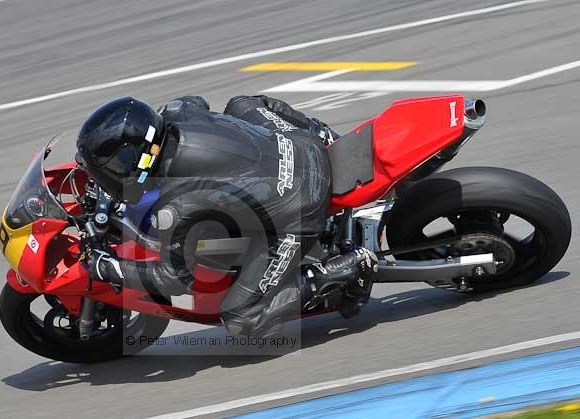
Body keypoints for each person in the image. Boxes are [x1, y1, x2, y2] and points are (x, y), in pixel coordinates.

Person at [75, 95, 377, 337]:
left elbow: (173, 279)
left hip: (301, 202)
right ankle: (323, 133)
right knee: (241, 104)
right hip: (302, 143)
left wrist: (107, 268)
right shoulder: (179, 113)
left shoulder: (177, 204)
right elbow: (193, 100)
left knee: (240, 317)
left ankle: (344, 270)